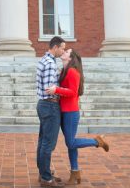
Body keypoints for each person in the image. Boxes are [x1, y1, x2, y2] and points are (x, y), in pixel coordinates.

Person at [46, 49, 109, 185]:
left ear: (71, 57)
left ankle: (97, 142)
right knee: (71, 143)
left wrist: (56, 89)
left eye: (67, 51)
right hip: (64, 111)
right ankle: (75, 172)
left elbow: (73, 92)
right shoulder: (64, 71)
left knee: (71, 143)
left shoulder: (72, 71)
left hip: (70, 113)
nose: (64, 51)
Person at [36, 36, 66, 187]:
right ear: (55, 47)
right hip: (50, 105)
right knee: (48, 143)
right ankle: (47, 178)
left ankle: (43, 172)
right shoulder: (50, 64)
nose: (63, 51)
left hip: (43, 105)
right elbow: (50, 90)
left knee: (43, 141)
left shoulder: (45, 60)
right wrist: (64, 91)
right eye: (62, 48)